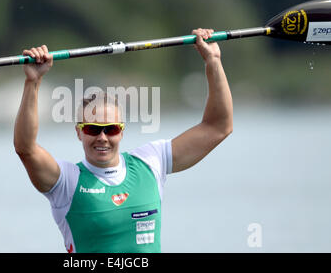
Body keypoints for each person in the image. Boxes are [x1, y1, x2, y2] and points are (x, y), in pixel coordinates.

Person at [14, 28, 233, 253]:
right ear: (79, 132)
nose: (102, 137)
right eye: (92, 129)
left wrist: (213, 61)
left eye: (110, 129)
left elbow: (218, 126)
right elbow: (26, 149)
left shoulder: (151, 162)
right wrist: (33, 82)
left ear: (122, 131)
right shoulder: (66, 182)